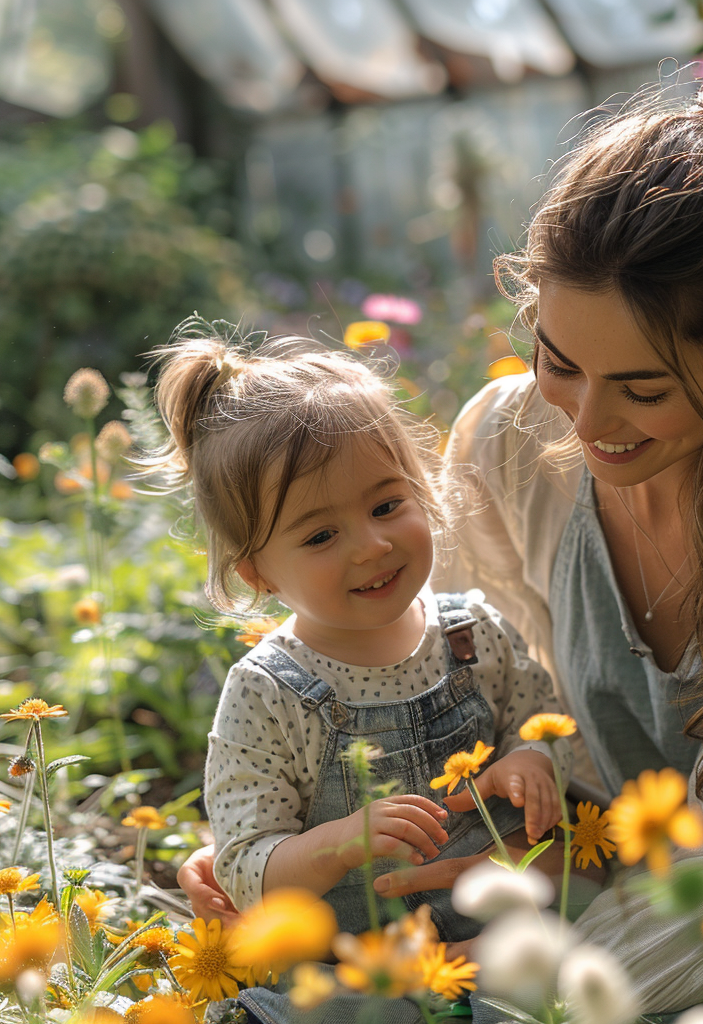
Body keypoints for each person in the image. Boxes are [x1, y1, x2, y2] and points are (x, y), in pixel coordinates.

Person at [179, 61, 703, 1014]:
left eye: (643, 387)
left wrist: (546, 947)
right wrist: (287, 851)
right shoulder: (515, 446)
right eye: (558, 360)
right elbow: (469, 708)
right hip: (582, 876)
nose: (588, 422)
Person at [146, 320, 570, 952]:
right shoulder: (267, 694)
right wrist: (337, 843)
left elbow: (542, 719)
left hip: (504, 948)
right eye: (320, 536)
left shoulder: (471, 632)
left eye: (385, 506)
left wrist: (533, 761)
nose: (372, 546)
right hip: (352, 975)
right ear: (257, 572)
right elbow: (245, 866)